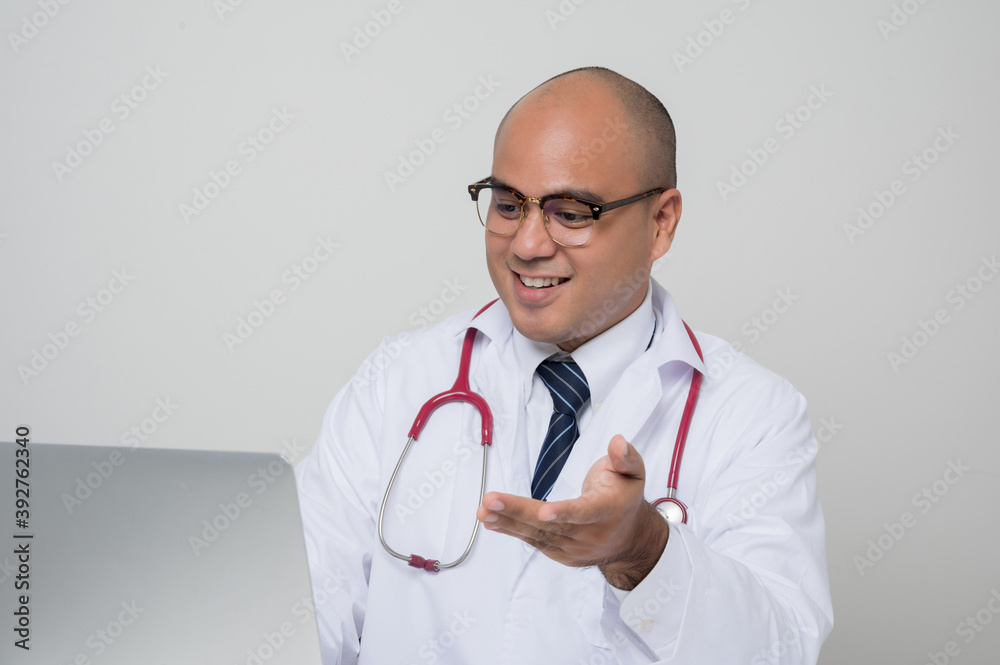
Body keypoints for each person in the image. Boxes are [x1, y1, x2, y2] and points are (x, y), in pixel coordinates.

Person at [295, 66, 833, 664]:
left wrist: (642, 551)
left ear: (662, 222)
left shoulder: (753, 414)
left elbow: (779, 651)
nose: (526, 244)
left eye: (570, 213)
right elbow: (298, 614)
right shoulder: (397, 379)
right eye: (506, 204)